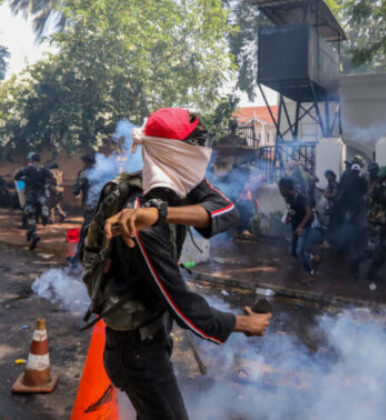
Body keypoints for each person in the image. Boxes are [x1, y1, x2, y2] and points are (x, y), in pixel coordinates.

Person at [91, 108, 271, 420]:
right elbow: (179, 301)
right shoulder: (138, 218)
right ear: (177, 152)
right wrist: (243, 324)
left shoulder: (178, 183)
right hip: (136, 351)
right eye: (196, 145)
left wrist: (162, 212)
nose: (204, 154)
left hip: (151, 338)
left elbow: (228, 211)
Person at [364, 166, 386, 288]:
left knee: (383, 251)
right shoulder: (379, 188)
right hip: (377, 224)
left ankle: (372, 273)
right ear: (384, 178)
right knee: (376, 250)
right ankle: (360, 265)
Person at [279, 177, 316, 284]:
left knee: (300, 251)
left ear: (286, 188)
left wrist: (300, 227)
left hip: (303, 227)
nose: (280, 191)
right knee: (293, 252)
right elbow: (291, 209)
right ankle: (311, 257)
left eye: (281, 188)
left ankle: (311, 273)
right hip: (295, 227)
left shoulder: (299, 198)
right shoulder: (287, 197)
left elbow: (309, 213)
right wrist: (288, 218)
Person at [14, 152, 54, 250]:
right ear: (39, 161)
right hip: (41, 196)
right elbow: (51, 176)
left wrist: (24, 179)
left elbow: (16, 176)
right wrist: (45, 183)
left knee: (30, 215)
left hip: (31, 196)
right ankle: (45, 216)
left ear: (31, 160)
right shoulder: (44, 170)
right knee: (43, 207)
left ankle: (34, 234)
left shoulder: (27, 169)